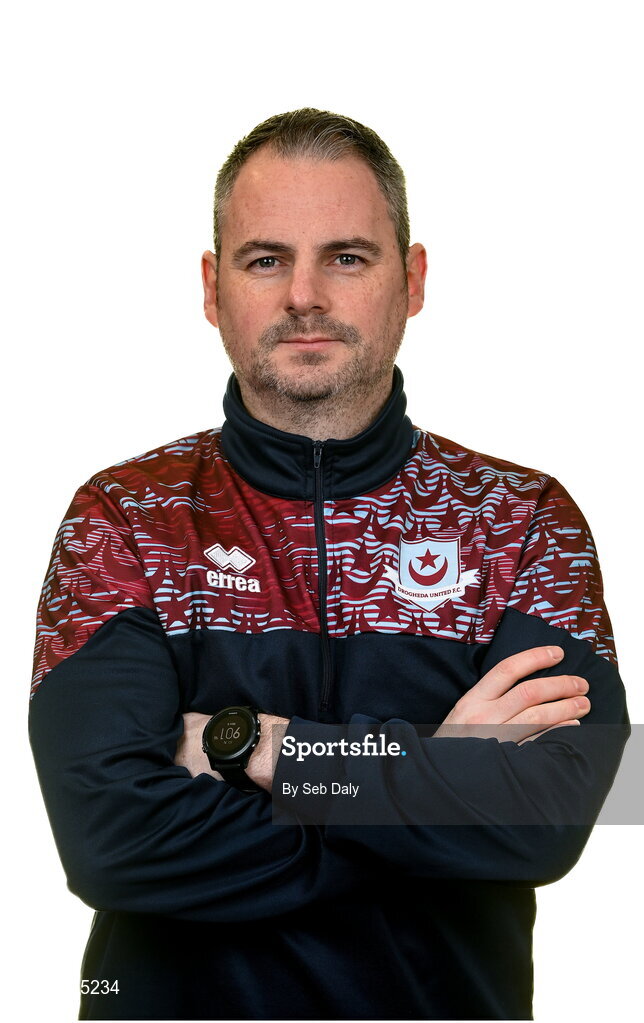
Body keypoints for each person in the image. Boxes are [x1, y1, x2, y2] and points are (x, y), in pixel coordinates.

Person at [29, 108, 629, 1021]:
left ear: (413, 279)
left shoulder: (522, 523)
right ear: (211, 285)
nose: (304, 293)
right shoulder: (125, 518)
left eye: (347, 256)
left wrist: (267, 749)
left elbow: (547, 818)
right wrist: (435, 774)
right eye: (266, 258)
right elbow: (113, 841)